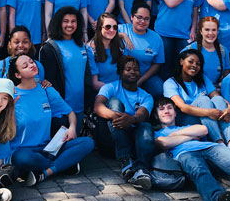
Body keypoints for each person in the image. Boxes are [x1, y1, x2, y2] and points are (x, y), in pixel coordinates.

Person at [8, 55, 95, 185]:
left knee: (87, 143)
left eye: (31, 62)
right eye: (25, 66)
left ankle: (45, 172)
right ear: (18, 75)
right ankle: (64, 164)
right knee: (20, 158)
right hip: (25, 151)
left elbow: (70, 112)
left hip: (49, 149)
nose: (31, 65)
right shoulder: (11, 95)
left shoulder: (46, 90)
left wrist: (72, 128)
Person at [163, 49, 230, 155]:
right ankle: (219, 142)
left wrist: (229, 107)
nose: (194, 65)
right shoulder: (170, 83)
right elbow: (183, 107)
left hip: (208, 120)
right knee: (203, 99)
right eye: (190, 62)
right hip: (186, 121)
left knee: (218, 99)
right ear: (181, 61)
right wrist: (208, 112)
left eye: (198, 64)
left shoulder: (202, 79)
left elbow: (216, 96)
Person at [93, 55, 155, 190]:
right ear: (121, 72)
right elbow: (98, 107)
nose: (133, 72)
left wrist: (131, 119)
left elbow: (142, 114)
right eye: (128, 69)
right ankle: (125, 159)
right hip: (110, 140)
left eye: (136, 69)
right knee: (114, 102)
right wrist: (117, 116)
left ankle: (141, 170)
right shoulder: (110, 88)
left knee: (146, 126)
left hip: (132, 137)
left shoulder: (146, 96)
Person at [40, 7, 95, 128]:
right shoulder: (50, 47)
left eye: (73, 21)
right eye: (65, 21)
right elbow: (48, 81)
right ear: (58, 23)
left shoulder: (81, 45)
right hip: (61, 110)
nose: (70, 24)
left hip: (80, 106)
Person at [155, 0, 200, 79]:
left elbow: (195, 10)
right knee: (166, 66)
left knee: (184, 65)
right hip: (165, 32)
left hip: (183, 33)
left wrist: (193, 29)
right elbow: (170, 3)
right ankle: (165, 95)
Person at [118, 0, 165, 97]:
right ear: (132, 17)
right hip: (120, 76)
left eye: (146, 19)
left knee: (159, 89)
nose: (142, 21)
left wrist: (140, 81)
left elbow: (157, 64)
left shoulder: (156, 38)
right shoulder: (121, 29)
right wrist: (123, 35)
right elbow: (102, 34)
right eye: (139, 17)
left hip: (144, 76)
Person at [0, 26, 47, 94]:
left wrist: (45, 84)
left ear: (30, 44)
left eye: (25, 42)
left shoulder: (37, 66)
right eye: (16, 42)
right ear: (10, 44)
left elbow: (40, 90)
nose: (21, 45)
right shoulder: (0, 67)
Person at [181, 17, 230, 84]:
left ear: (217, 31)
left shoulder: (223, 51)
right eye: (207, 30)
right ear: (201, 31)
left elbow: (226, 75)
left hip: (217, 90)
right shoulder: (189, 50)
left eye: (214, 30)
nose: (210, 33)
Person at [86, 13, 125, 89]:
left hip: (122, 88)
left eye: (115, 27)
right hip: (104, 92)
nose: (112, 30)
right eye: (108, 27)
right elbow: (95, 83)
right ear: (100, 28)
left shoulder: (120, 45)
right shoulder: (91, 49)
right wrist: (116, 90)